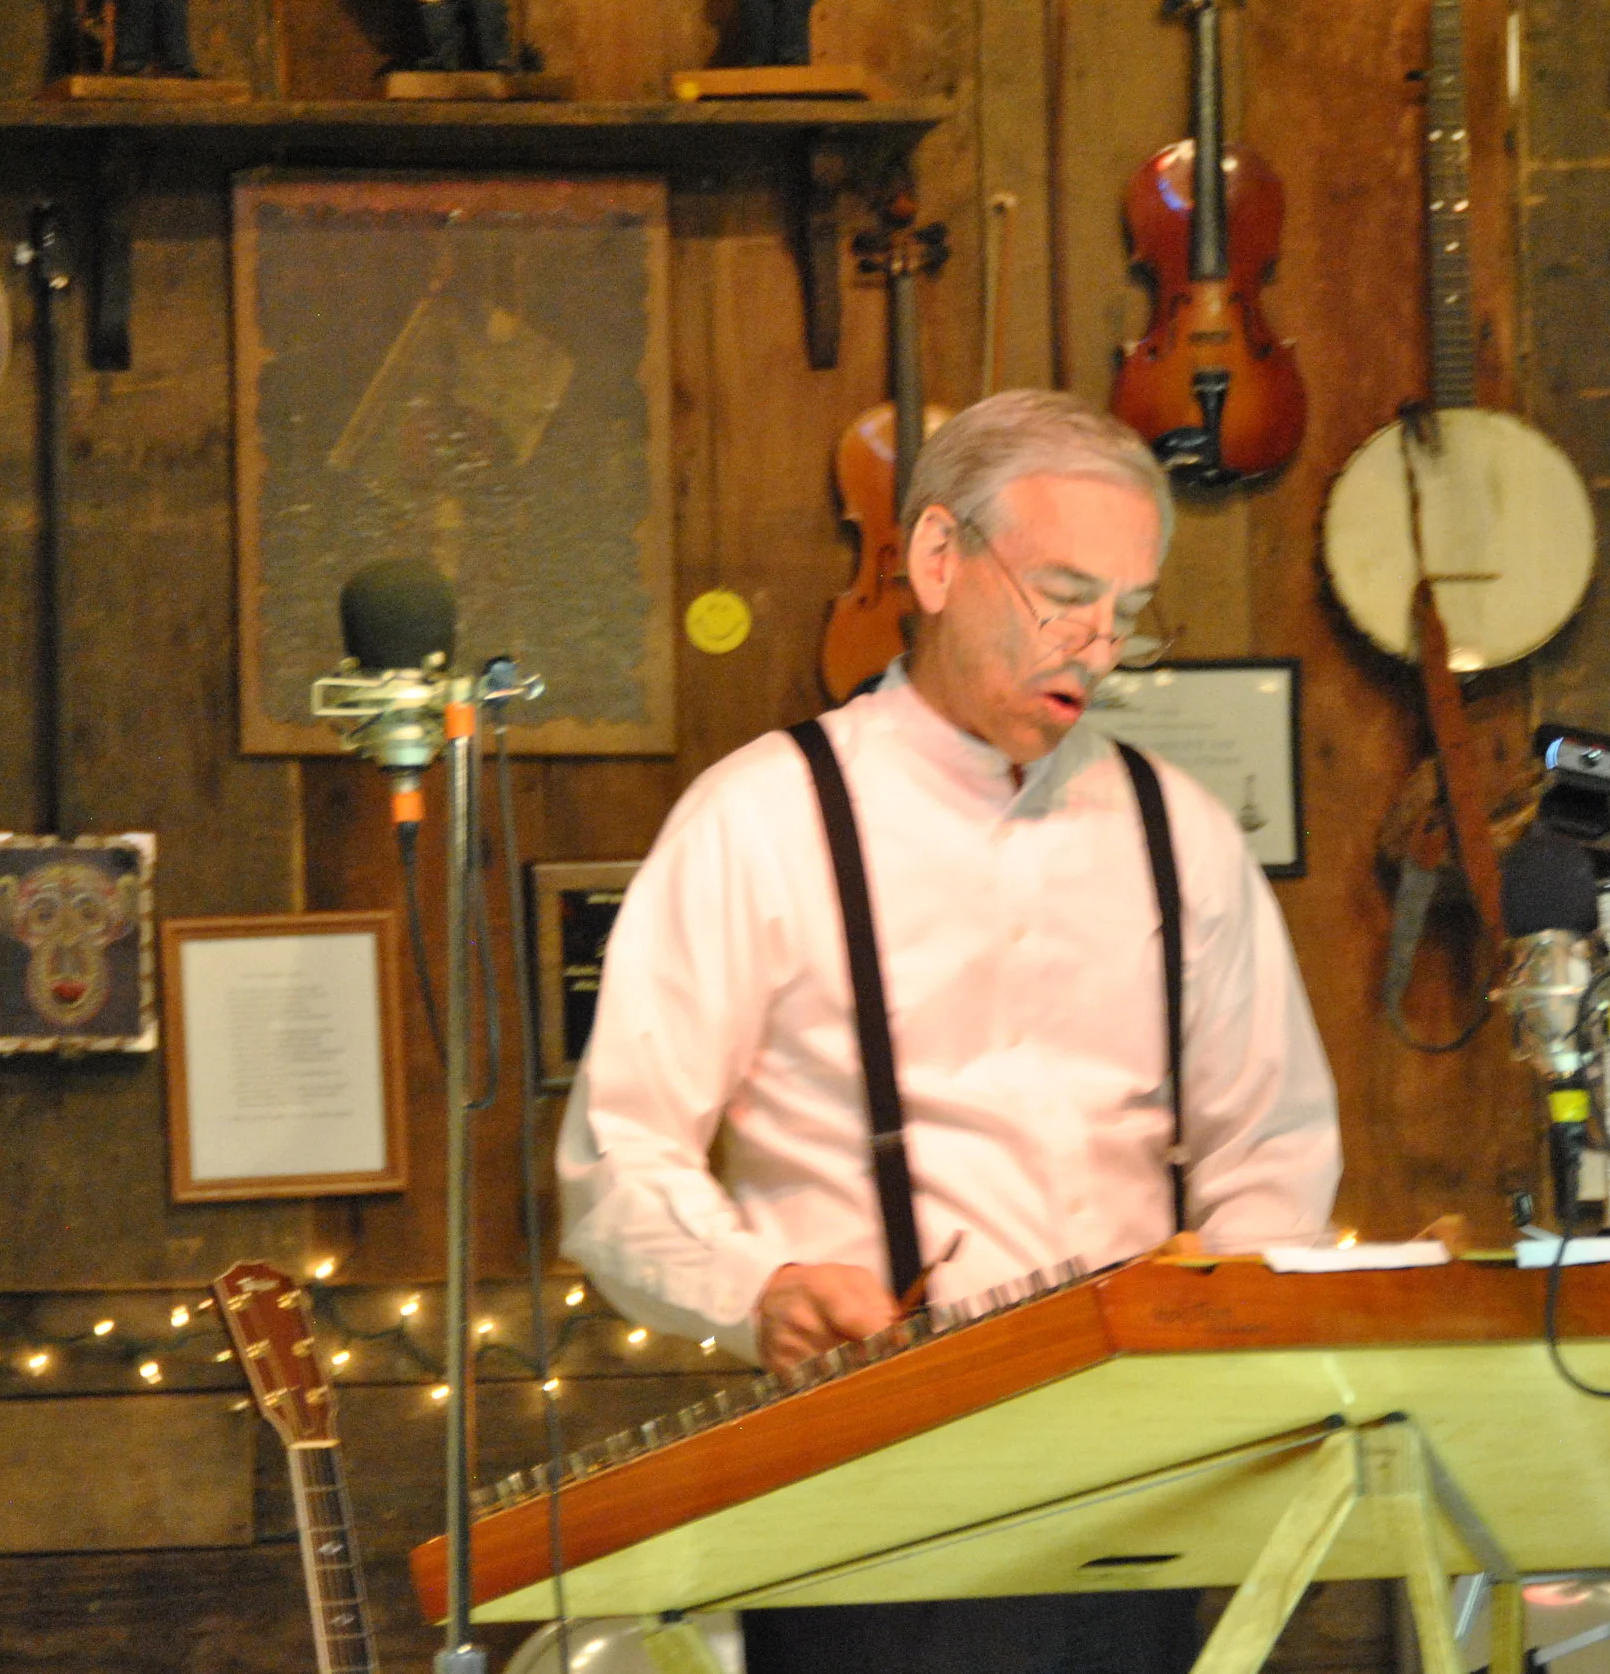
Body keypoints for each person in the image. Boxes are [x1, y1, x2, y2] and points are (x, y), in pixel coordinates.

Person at [556, 387, 1340, 1674]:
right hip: (868, 1496)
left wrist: (1225, 1343)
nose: (1097, 647)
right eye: (1064, 595)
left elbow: (1272, 1144)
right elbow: (619, 1158)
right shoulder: (762, 819)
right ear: (935, 558)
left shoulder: (1182, 834)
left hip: (1143, 1500)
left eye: (1128, 612)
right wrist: (759, 1292)